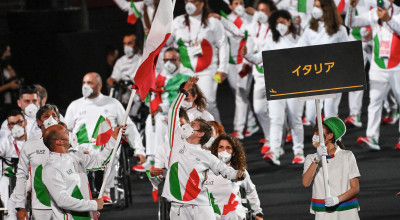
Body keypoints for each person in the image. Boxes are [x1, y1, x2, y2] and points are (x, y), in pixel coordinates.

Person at [159, 77, 245, 220]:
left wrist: (236, 174)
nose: (186, 126)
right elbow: (173, 112)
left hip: (202, 208)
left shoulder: (207, 155)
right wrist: (183, 93)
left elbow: (225, 170)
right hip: (178, 209)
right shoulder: (176, 142)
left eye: (192, 125)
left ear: (200, 134)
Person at [64, 72, 145, 201]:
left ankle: (105, 192)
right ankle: (81, 193)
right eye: (84, 83)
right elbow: (65, 129)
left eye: (90, 83)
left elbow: (129, 126)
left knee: (110, 154)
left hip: (106, 144)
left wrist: (139, 150)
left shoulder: (113, 103)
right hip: (81, 145)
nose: (86, 86)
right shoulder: (75, 105)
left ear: (99, 86)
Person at [243, 9, 305, 165]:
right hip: (276, 83)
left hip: (295, 84)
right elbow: (258, 59)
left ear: (289, 21)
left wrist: (301, 27)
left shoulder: (299, 37)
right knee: (276, 119)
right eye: (277, 23)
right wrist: (246, 55)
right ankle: (275, 152)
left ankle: (299, 152)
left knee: (294, 120)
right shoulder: (272, 40)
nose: (281, 25)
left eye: (283, 22)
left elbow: (307, 53)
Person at [42, 124, 124, 220]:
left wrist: (114, 139)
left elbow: (100, 161)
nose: (71, 135)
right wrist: (93, 204)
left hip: (87, 216)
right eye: (67, 133)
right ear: (59, 142)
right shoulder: (51, 168)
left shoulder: (76, 155)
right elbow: (62, 200)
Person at [348, 0, 400, 150]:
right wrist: (351, 9)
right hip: (378, 65)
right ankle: (372, 137)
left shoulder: (398, 13)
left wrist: (388, 20)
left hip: (397, 66)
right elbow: (353, 23)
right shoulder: (373, 13)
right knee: (374, 102)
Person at [132, 47, 193, 172]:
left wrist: (162, 107)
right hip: (164, 112)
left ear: (179, 60)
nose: (168, 64)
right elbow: (158, 95)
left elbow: (186, 99)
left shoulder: (187, 75)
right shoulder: (162, 75)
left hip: (183, 113)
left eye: (172, 60)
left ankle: (161, 160)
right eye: (165, 60)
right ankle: (151, 158)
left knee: (159, 121)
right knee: (150, 119)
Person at [168, 0, 229, 122]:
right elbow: (167, 41)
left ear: (202, 3)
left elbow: (223, 44)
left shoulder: (213, 22)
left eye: (193, 1)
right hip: (185, 72)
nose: (189, 4)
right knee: (188, 107)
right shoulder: (178, 22)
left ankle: (217, 135)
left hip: (207, 71)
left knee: (208, 105)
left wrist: (222, 69)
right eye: (187, 1)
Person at [209, 0, 259, 140]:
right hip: (231, 63)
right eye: (235, 3)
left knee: (240, 95)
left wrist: (255, 13)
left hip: (244, 61)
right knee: (238, 92)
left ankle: (238, 128)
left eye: (241, 3)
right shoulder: (226, 19)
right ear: (230, 6)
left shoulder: (249, 19)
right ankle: (252, 123)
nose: (239, 6)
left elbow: (242, 34)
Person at [297, 0, 348, 126]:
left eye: (318, 6)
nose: (315, 9)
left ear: (327, 9)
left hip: (332, 77)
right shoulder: (309, 29)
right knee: (310, 115)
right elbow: (299, 49)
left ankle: (335, 143)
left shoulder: (340, 30)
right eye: (314, 6)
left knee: (330, 112)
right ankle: (322, 139)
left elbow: (347, 52)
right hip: (314, 77)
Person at [303, 117, 360, 219]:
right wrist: (317, 158)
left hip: (347, 212)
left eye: (319, 132)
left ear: (330, 135)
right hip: (324, 214)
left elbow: (355, 188)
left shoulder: (347, 156)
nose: (315, 136)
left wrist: (337, 199)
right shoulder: (310, 158)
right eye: (315, 132)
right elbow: (305, 183)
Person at [12, 104, 61, 220]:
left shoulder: (69, 145)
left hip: (65, 207)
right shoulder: (30, 145)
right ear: (39, 122)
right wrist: (20, 206)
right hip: (40, 208)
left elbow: (78, 177)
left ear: (58, 120)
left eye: (54, 116)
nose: (51, 119)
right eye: (46, 116)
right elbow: (21, 176)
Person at [242, 0, 277, 150]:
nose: (261, 13)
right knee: (259, 109)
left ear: (271, 12)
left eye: (264, 10)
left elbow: (265, 53)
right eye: (259, 10)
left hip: (274, 74)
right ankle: (270, 136)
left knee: (278, 110)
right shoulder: (256, 28)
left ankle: (274, 141)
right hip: (259, 75)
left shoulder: (276, 29)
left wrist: (249, 57)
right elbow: (242, 32)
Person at [205, 134, 263, 220]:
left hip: (234, 214)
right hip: (212, 214)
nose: (224, 150)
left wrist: (257, 212)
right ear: (216, 150)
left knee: (234, 215)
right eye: (221, 147)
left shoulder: (239, 172)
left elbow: (251, 191)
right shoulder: (206, 170)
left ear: (234, 152)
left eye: (228, 148)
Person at [0, 110, 28, 213]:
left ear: (25, 122)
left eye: (19, 122)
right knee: (4, 180)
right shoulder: (5, 141)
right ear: (8, 127)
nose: (16, 126)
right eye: (12, 124)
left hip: (28, 180)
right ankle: (7, 212)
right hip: (10, 181)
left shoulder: (33, 141)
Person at [106, 33, 142, 104]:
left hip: (138, 95)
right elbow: (114, 78)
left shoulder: (142, 59)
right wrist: (111, 80)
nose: (126, 47)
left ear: (137, 45)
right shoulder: (120, 61)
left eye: (129, 43)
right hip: (123, 95)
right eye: (124, 44)